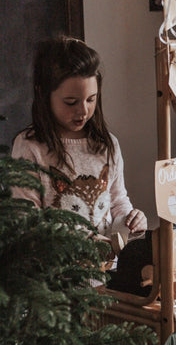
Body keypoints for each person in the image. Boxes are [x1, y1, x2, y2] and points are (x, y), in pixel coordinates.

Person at [11, 35, 148, 282]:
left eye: (91, 99)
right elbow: (27, 221)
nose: (83, 110)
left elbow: (117, 201)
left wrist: (131, 220)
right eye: (71, 102)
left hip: (106, 280)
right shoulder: (30, 147)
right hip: (54, 285)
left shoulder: (107, 144)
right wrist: (83, 242)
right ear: (44, 94)